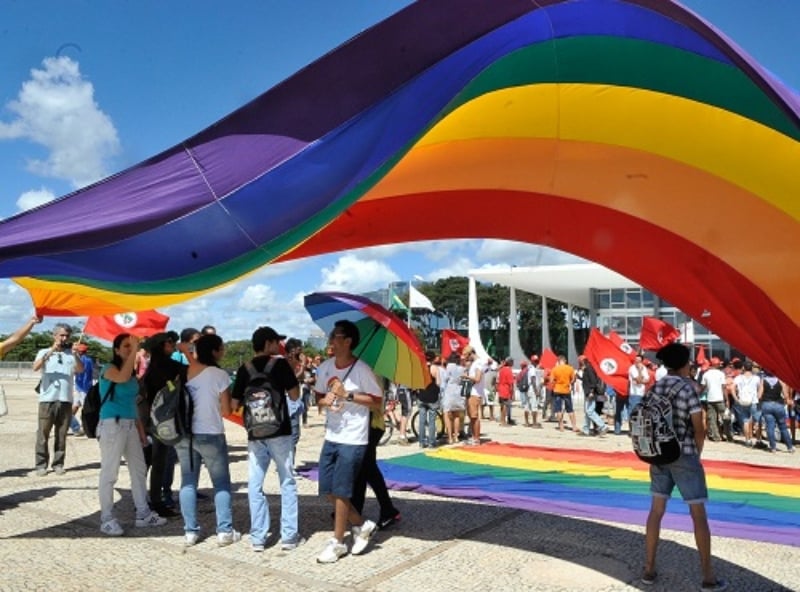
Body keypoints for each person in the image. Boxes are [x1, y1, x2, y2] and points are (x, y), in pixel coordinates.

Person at [641, 343, 727, 591]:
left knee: (656, 512)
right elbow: (699, 428)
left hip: (658, 455)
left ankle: (649, 569)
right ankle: (708, 577)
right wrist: (696, 453)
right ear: (684, 364)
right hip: (685, 455)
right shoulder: (687, 389)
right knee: (698, 515)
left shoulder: (654, 388)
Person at [314, 320, 381, 564]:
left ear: (348, 341)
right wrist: (327, 400)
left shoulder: (362, 369)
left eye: (336, 336)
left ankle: (338, 542)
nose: (331, 340)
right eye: (332, 336)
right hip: (331, 435)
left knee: (341, 491)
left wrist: (348, 395)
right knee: (328, 489)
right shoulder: (324, 368)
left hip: (354, 438)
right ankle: (362, 525)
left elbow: (376, 401)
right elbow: (319, 398)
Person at [232, 326, 303, 552]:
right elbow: (295, 395)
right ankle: (289, 536)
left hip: (255, 433)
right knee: (287, 481)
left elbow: (234, 405)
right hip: (279, 431)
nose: (279, 346)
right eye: (276, 342)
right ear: (268, 344)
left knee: (255, 483)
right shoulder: (280, 364)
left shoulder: (244, 368)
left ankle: (258, 538)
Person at [97, 333, 167, 536]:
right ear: (116, 350)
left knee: (139, 469)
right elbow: (122, 377)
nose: (130, 348)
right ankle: (107, 518)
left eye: (132, 345)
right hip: (112, 424)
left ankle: (143, 514)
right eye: (126, 346)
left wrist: (141, 432)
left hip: (129, 424)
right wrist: (135, 350)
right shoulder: (109, 369)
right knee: (110, 473)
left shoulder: (132, 372)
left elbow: (132, 404)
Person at [178, 333, 240, 546]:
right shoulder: (219, 375)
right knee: (221, 483)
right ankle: (224, 530)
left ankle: (190, 532)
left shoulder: (186, 372)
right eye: (221, 348)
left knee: (188, 482)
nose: (223, 351)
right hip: (211, 433)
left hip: (185, 434)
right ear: (214, 351)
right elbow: (225, 410)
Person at [32, 323, 85, 476]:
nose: (64, 338)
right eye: (61, 335)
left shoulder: (71, 355)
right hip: (47, 399)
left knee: (61, 434)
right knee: (43, 433)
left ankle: (58, 463)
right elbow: (35, 367)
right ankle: (41, 464)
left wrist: (75, 354)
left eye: (67, 336)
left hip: (65, 399)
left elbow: (80, 369)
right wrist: (51, 352)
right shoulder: (44, 352)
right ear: (54, 336)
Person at [139, 332, 183, 517]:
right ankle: (156, 502)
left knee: (146, 462)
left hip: (149, 420)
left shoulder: (150, 369)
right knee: (160, 462)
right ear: (163, 346)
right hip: (165, 422)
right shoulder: (172, 366)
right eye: (171, 343)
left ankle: (141, 499)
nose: (173, 345)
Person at [351, 377, 401, 531]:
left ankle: (388, 510)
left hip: (371, 424)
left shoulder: (370, 373)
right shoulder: (368, 371)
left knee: (368, 468)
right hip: (367, 424)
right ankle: (356, 509)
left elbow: (373, 400)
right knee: (362, 468)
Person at [757, 368, 795, 454]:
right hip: (778, 404)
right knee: (783, 427)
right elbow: (785, 395)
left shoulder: (763, 381)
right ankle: (789, 447)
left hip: (767, 404)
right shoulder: (780, 381)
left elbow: (759, 395)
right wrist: (787, 400)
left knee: (770, 427)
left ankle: (773, 447)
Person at [416, 352, 441, 448]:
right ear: (433, 359)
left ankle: (421, 442)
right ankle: (431, 442)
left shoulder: (420, 368)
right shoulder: (434, 368)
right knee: (432, 421)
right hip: (432, 397)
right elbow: (438, 382)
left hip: (422, 396)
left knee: (421, 420)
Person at [578, 357, 608, 436]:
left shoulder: (589, 369)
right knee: (587, 412)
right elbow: (588, 380)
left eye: (580, 361)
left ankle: (602, 426)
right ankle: (586, 430)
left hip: (590, 393)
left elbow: (593, 381)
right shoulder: (587, 369)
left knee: (590, 411)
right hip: (588, 392)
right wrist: (580, 378)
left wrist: (591, 391)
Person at [440, 352, 466, 444]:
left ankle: (450, 437)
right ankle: (456, 436)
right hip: (458, 391)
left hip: (450, 390)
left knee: (447, 414)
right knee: (457, 415)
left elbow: (445, 379)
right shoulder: (462, 368)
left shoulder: (450, 366)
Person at [69, 343, 94, 436]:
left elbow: (78, 371)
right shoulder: (89, 360)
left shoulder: (83, 360)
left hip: (83, 388)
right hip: (82, 388)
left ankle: (83, 426)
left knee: (83, 408)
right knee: (77, 407)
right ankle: (73, 424)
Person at [550, 354, 578, 432]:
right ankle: (574, 427)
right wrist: (569, 382)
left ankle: (561, 427)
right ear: (565, 360)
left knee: (558, 409)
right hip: (566, 390)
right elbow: (573, 380)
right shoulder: (570, 368)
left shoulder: (555, 369)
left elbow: (551, 381)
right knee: (570, 409)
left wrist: (557, 382)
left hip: (557, 390)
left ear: (558, 361)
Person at [701, 358, 727, 442]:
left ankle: (716, 437)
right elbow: (723, 387)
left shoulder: (706, 374)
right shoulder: (721, 374)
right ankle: (728, 434)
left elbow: (702, 387)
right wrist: (726, 399)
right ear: (717, 364)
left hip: (710, 399)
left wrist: (698, 394)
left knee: (712, 419)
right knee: (726, 417)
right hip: (720, 399)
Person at [463, 346, 484, 445]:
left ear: (471, 353)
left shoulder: (478, 363)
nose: (466, 358)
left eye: (467, 356)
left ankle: (476, 438)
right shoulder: (474, 363)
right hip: (472, 392)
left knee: (474, 417)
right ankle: (474, 437)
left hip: (475, 393)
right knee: (472, 416)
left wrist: (466, 377)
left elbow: (477, 379)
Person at [496, 357, 514, 427]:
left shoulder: (501, 369)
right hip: (506, 390)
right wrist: (512, 393)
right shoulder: (508, 370)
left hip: (501, 389)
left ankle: (502, 420)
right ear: (510, 363)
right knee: (505, 407)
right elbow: (511, 383)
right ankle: (503, 422)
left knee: (502, 406)